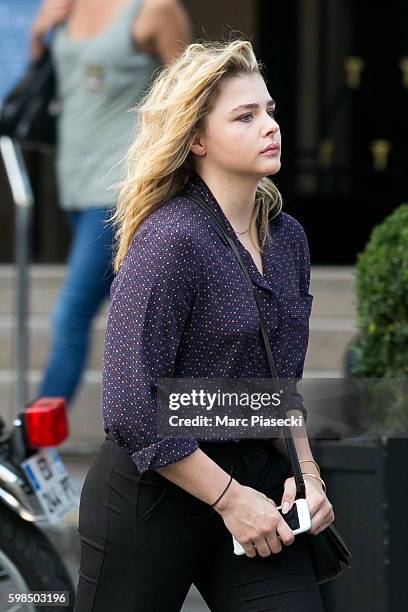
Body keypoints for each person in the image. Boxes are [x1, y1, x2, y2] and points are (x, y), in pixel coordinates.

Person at [74, 38, 335, 611]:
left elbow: (278, 386)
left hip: (255, 477)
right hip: (152, 493)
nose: (270, 126)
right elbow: (127, 407)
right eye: (245, 116)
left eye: (269, 110)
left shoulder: (287, 238)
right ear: (196, 139)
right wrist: (228, 500)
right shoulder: (171, 239)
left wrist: (308, 476)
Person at [29, 0, 192, 405]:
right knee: (134, 309)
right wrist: (37, 37)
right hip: (75, 182)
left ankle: (31, 442)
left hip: (122, 187)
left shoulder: (156, 10)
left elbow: (192, 97)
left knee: (70, 314)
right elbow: (52, 83)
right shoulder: (67, 6)